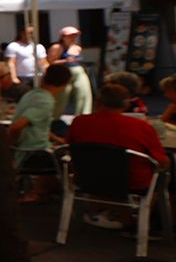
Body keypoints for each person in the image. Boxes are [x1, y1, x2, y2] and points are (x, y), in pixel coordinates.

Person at [68, 83, 171, 230]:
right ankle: (147, 221)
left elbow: (70, 146)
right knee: (164, 173)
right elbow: (162, 161)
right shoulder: (140, 127)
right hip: (132, 182)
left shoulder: (79, 122)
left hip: (87, 178)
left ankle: (107, 211)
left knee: (103, 166)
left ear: (99, 101)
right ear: (126, 104)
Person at [10, 63, 72, 203]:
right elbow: (16, 127)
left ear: (44, 77)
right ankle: (39, 191)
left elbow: (38, 126)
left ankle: (46, 190)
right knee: (70, 157)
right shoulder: (45, 101)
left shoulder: (31, 94)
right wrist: (8, 147)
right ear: (66, 84)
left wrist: (57, 139)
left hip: (27, 149)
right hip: (32, 153)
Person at [47, 26, 93, 117]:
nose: (73, 38)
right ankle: (54, 117)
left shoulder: (77, 48)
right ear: (63, 37)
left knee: (84, 93)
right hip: (64, 73)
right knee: (62, 97)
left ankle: (84, 117)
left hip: (78, 72)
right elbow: (50, 62)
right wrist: (65, 61)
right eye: (70, 36)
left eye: (74, 35)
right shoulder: (57, 47)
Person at [3, 25, 47, 101]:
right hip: (22, 77)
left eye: (32, 33)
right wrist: (14, 78)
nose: (30, 35)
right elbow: (11, 63)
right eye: (28, 33)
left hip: (38, 77)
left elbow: (44, 63)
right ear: (21, 33)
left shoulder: (39, 47)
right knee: (24, 99)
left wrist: (46, 76)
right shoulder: (13, 46)